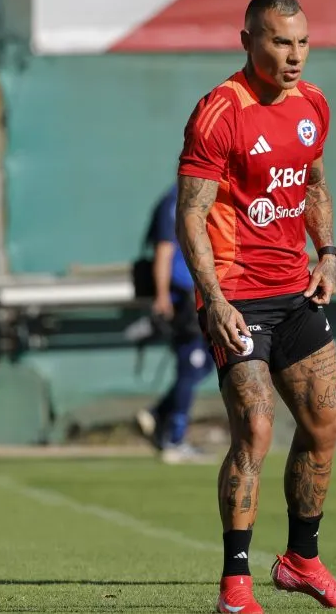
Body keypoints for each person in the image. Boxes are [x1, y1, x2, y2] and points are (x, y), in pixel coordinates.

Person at [176, 0, 336, 613]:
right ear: (248, 41)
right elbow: (192, 214)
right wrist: (213, 299)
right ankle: (235, 584)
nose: (294, 55)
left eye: (302, 42)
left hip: (295, 290)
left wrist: (329, 252)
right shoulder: (219, 111)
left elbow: (313, 183)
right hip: (236, 296)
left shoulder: (313, 104)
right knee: (255, 428)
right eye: (280, 41)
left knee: (325, 423)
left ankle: (301, 562)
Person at [135, 183, 215, 464]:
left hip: (201, 294)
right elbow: (164, 250)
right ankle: (174, 438)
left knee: (205, 362)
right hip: (183, 298)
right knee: (190, 362)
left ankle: (158, 414)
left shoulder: (202, 199)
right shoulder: (175, 201)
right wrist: (161, 296)